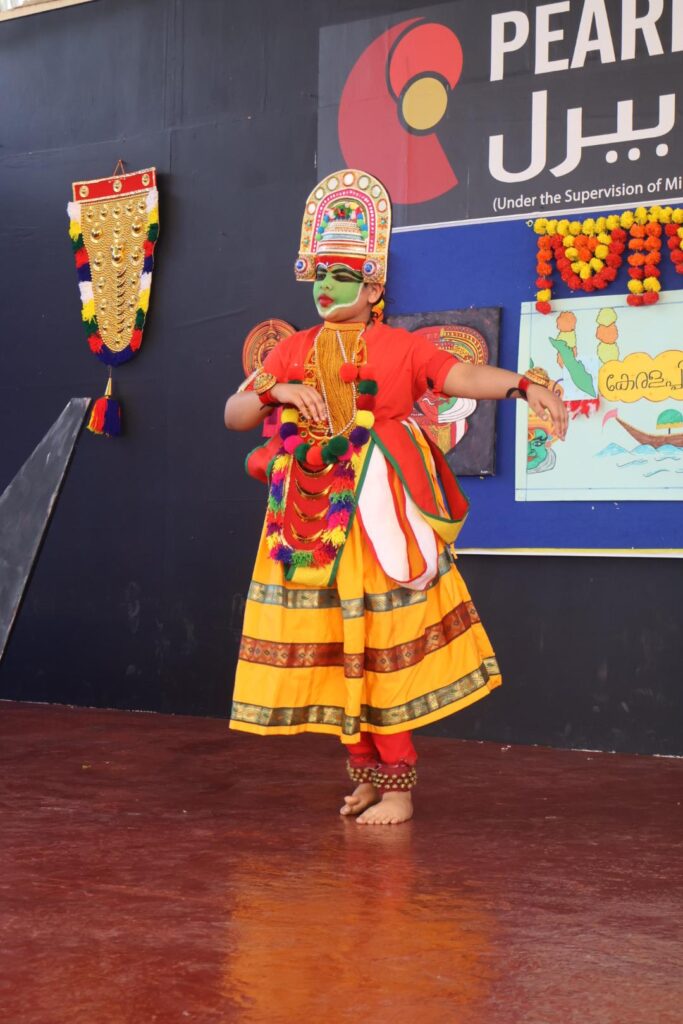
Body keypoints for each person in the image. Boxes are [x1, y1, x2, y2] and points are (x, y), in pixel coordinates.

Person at [224, 169, 567, 825]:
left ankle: (400, 786)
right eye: (319, 276)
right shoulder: (295, 349)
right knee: (330, 649)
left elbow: (461, 373)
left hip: (378, 517)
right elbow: (235, 413)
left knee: (379, 647)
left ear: (373, 287)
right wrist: (277, 391)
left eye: (342, 277)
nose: (326, 288)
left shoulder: (400, 346)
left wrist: (525, 386)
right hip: (309, 520)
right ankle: (366, 779)